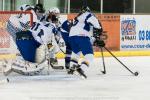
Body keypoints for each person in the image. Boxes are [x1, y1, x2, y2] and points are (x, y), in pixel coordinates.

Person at [3, 5, 57, 76]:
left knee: (32, 60)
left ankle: (17, 62)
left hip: (23, 37)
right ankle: (13, 63)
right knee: (35, 64)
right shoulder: (48, 29)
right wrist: (49, 53)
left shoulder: (40, 22)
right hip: (26, 39)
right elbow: (49, 43)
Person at [68, 6, 104, 78]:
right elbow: (96, 24)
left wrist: (95, 40)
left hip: (71, 37)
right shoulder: (88, 14)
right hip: (81, 36)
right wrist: (99, 29)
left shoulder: (77, 18)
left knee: (76, 53)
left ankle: (72, 68)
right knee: (89, 56)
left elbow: (88, 35)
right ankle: (81, 69)